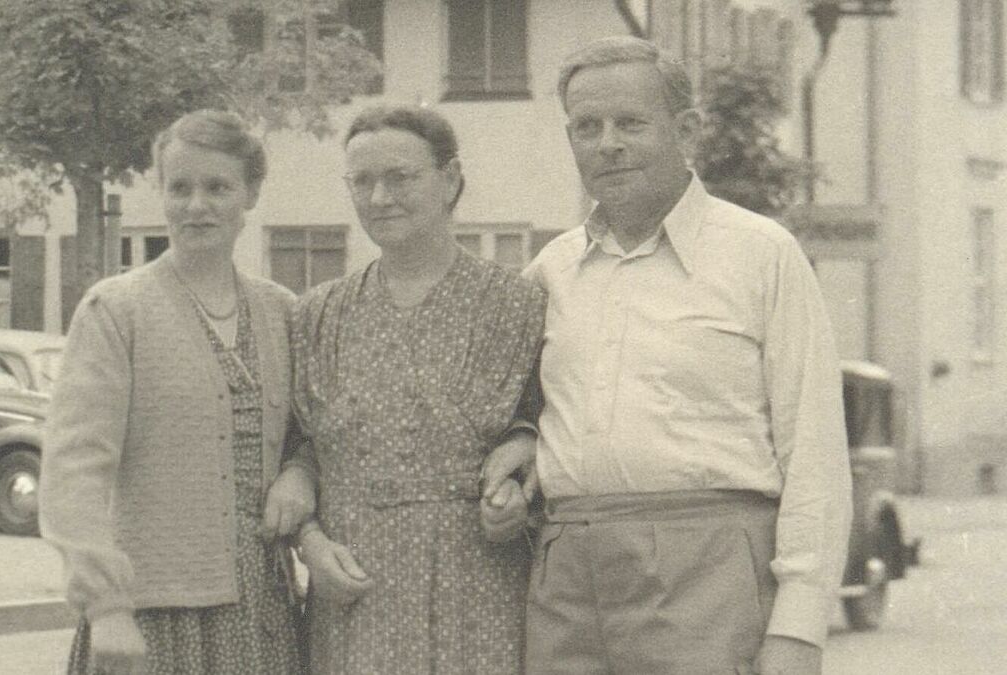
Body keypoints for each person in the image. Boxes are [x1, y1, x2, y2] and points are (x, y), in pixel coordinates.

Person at [518, 36, 853, 674]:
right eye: (586, 127)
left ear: (686, 129)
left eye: (630, 123)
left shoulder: (760, 254)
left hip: (713, 573)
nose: (607, 143)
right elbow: (521, 413)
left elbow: (813, 447)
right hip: (566, 578)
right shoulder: (550, 271)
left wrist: (799, 627)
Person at [273, 104, 546, 674]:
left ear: (449, 181)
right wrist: (312, 545)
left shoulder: (517, 306)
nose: (379, 198)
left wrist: (522, 481)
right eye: (362, 181)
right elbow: (297, 454)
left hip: (477, 589)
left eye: (399, 177)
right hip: (353, 591)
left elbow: (549, 430)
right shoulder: (316, 316)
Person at [39, 110, 313, 675]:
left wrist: (300, 473)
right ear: (160, 193)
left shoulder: (282, 310)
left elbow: (311, 436)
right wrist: (108, 607)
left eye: (218, 187)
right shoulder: (116, 309)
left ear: (251, 194)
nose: (197, 206)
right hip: (152, 616)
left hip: (263, 613)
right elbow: (74, 468)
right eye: (179, 187)